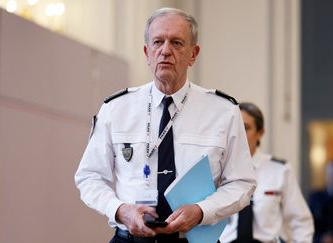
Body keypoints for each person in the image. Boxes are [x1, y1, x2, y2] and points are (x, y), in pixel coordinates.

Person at [74, 7, 256, 243]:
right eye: (158, 42)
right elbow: (89, 177)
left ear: (193, 54)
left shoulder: (223, 111)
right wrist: (121, 210)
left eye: (177, 43)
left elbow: (242, 182)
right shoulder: (116, 109)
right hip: (131, 239)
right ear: (147, 52)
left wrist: (202, 211)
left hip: (194, 239)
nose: (165, 51)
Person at [219, 102, 314, 243]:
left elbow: (300, 222)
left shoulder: (280, 170)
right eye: (235, 127)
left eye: (245, 128)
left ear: (260, 133)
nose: (239, 133)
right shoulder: (218, 170)